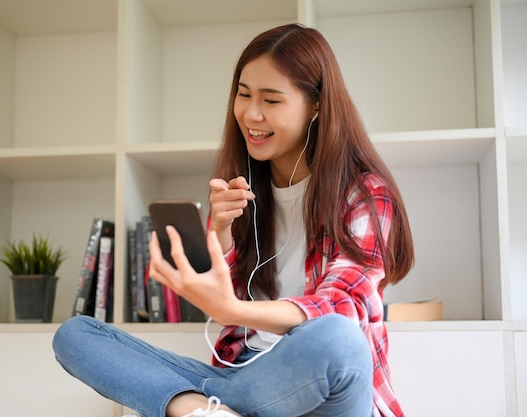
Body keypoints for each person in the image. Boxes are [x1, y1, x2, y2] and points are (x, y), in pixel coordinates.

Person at [53, 23, 414, 417]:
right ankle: (203, 409)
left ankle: (198, 406)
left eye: (271, 100)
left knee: (338, 339)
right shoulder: (240, 190)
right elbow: (224, 296)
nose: (251, 113)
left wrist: (233, 312)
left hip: (316, 381)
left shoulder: (362, 194)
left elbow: (344, 304)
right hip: (238, 378)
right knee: (76, 336)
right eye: (243, 94)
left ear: (316, 105)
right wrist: (220, 234)